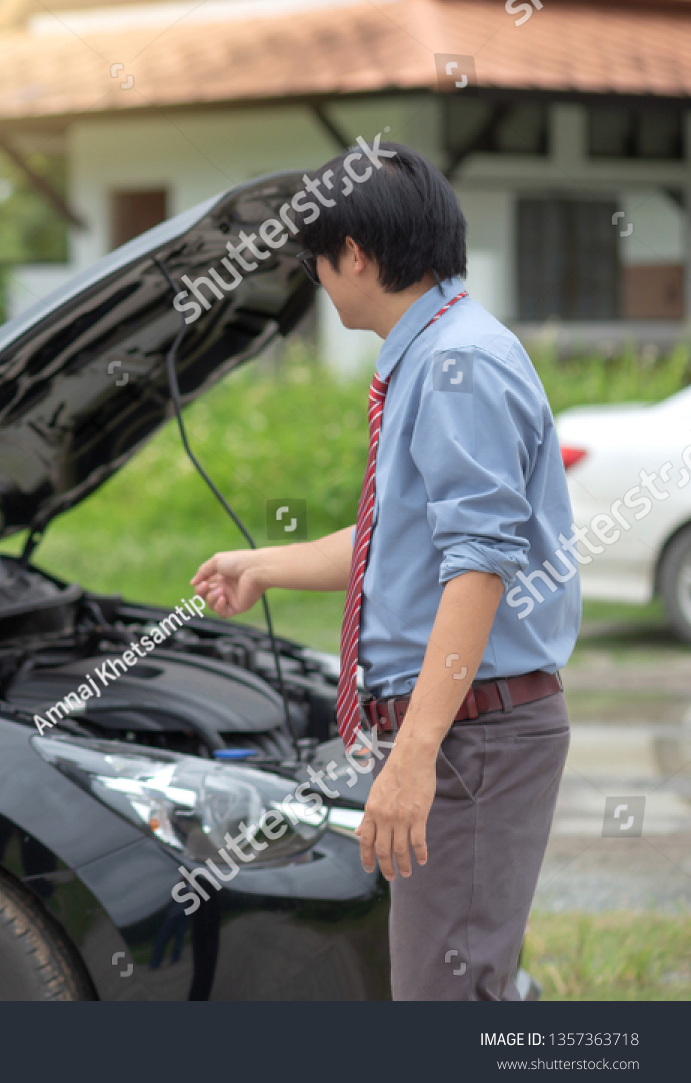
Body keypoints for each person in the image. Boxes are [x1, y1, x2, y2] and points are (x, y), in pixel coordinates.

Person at [192, 144, 579, 1000]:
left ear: (356, 254)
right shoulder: (436, 352)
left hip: (469, 739)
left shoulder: (456, 367)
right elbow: (394, 538)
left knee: (449, 1001)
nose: (319, 283)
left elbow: (476, 570)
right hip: (465, 730)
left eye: (318, 261)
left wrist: (415, 755)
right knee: (463, 988)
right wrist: (265, 564)